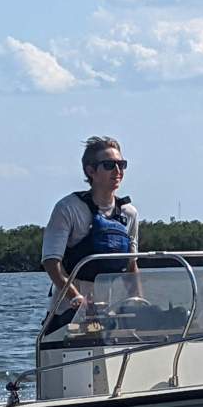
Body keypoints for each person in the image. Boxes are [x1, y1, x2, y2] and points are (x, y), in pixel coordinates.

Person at [40, 136, 139, 322]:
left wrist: (138, 302)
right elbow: (51, 262)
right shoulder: (67, 208)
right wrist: (77, 299)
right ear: (90, 171)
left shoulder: (130, 214)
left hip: (111, 315)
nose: (117, 171)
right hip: (68, 315)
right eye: (109, 165)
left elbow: (131, 266)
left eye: (122, 164)